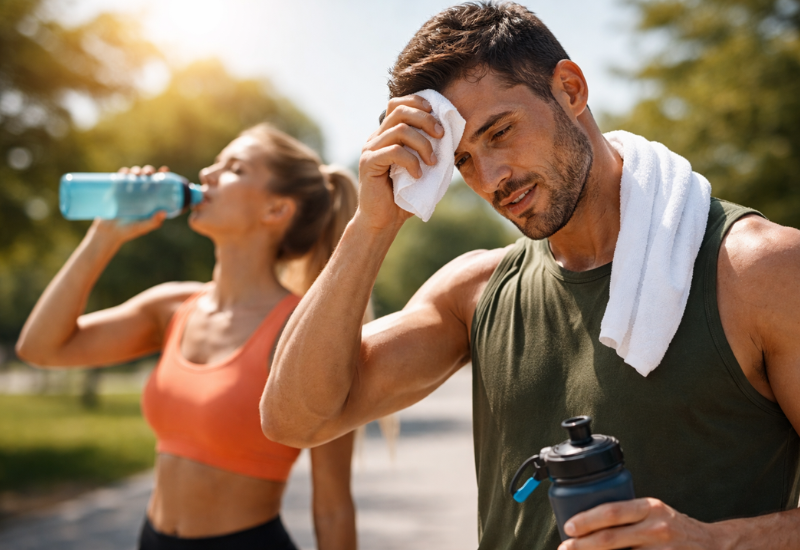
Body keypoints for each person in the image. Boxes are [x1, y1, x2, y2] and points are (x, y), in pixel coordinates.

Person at [259, 3, 800, 550]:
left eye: (500, 132)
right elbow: (294, 419)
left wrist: (711, 542)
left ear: (570, 89)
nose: (492, 178)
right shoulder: (473, 293)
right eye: (464, 160)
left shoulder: (760, 271)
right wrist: (372, 224)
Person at [16, 124, 358, 550]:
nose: (207, 173)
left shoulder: (306, 332)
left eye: (234, 168)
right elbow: (40, 348)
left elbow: (333, 508)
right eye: (215, 162)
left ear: (275, 210)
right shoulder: (171, 308)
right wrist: (104, 237)